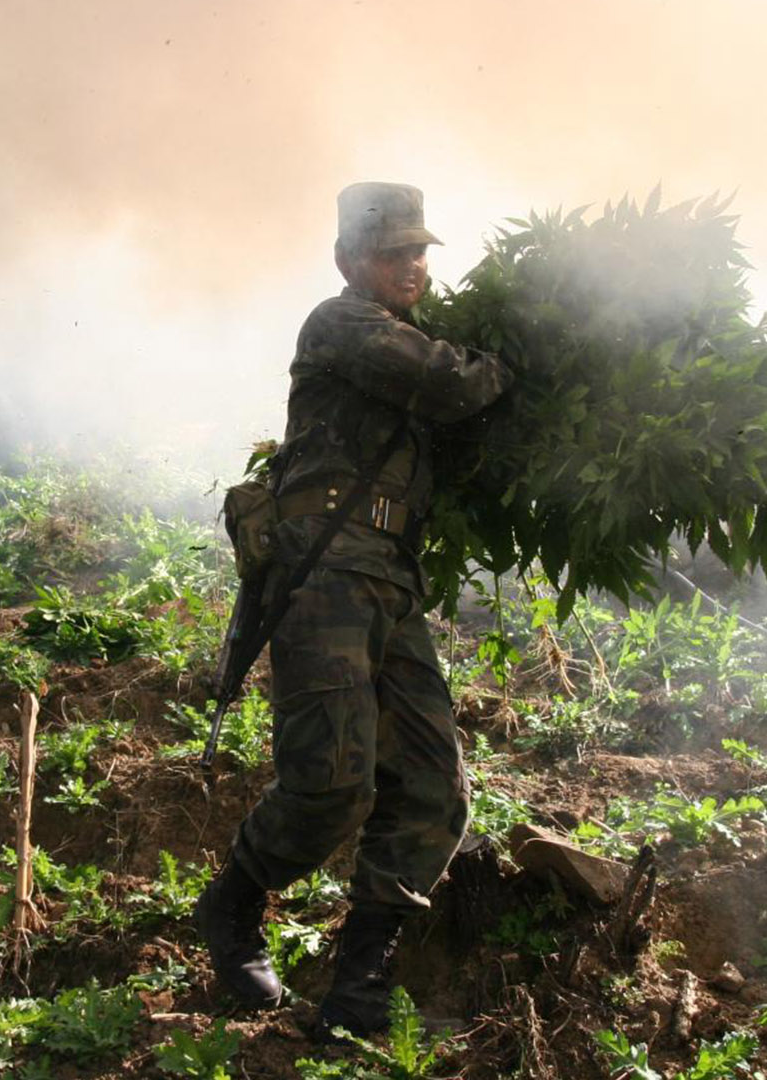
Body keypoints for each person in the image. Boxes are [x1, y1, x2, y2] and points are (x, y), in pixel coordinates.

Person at [195, 183, 517, 1037]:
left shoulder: (397, 334)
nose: (412, 266)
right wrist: (517, 362)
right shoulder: (342, 326)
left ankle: (359, 984)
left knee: (431, 788)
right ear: (349, 263)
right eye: (393, 254)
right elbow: (454, 383)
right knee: (332, 785)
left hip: (390, 581)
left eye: (420, 253)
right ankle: (232, 905)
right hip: (324, 575)